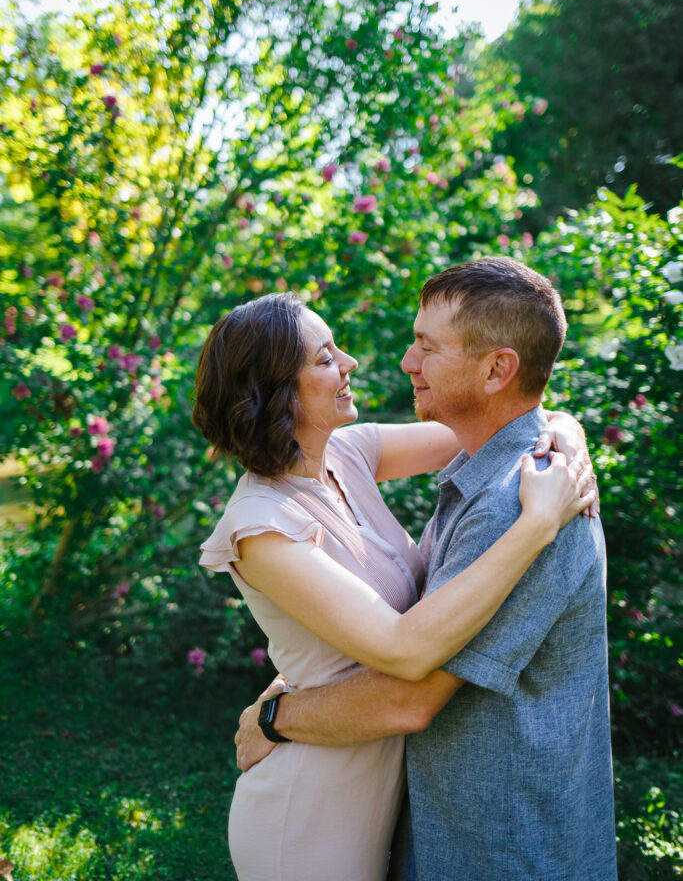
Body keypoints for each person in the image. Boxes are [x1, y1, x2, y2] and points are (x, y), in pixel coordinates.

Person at [193, 287, 596, 881]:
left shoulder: (347, 453)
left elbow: (502, 422)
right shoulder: (263, 529)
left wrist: (568, 433)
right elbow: (404, 652)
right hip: (312, 808)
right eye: (326, 357)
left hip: (385, 791)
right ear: (277, 389)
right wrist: (535, 523)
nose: (350, 363)